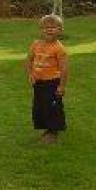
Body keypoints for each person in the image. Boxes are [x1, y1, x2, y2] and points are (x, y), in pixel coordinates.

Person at [25, 14, 69, 143]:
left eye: (53, 27)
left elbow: (64, 68)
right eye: (46, 27)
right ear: (41, 30)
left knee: (52, 107)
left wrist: (62, 86)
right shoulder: (35, 44)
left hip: (52, 83)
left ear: (60, 30)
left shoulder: (59, 48)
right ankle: (47, 129)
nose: (49, 30)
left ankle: (53, 132)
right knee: (40, 106)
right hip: (39, 82)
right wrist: (30, 74)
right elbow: (29, 60)